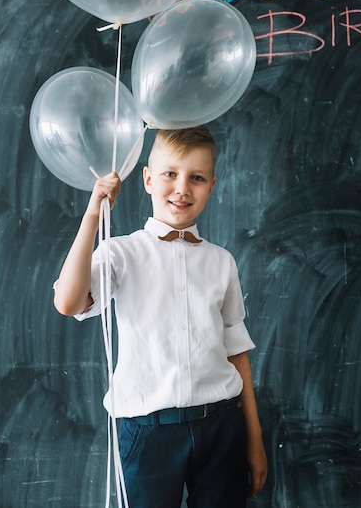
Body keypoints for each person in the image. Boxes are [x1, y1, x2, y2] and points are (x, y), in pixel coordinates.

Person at [53, 125, 268, 507]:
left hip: (221, 426)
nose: (183, 188)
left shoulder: (222, 262)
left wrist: (254, 438)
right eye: (170, 174)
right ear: (148, 179)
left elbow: (237, 353)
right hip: (147, 432)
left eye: (196, 178)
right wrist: (92, 215)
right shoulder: (121, 253)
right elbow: (68, 303)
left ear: (212, 185)